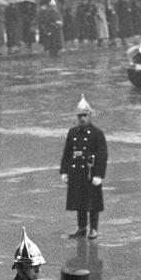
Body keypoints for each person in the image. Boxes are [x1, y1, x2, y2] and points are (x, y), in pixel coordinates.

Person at [59, 95, 108, 240]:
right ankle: (81, 227)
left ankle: (93, 228)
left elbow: (102, 155)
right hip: (76, 172)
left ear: (90, 116)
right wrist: (64, 171)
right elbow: (67, 152)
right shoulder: (72, 132)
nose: (82, 119)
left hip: (90, 172)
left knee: (92, 202)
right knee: (79, 201)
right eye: (80, 116)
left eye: (85, 115)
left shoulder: (97, 134)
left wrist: (99, 174)